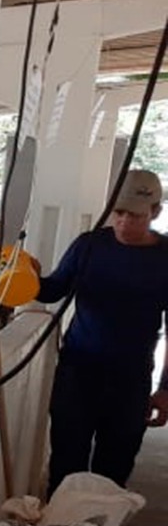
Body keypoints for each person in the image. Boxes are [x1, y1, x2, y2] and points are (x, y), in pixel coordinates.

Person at [37, 169, 168, 495]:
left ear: (155, 212)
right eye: (118, 213)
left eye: (135, 215)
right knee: (66, 464)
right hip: (77, 372)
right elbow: (52, 290)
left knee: (114, 471)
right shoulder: (89, 246)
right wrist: (18, 275)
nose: (124, 222)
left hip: (131, 378)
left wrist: (166, 388)